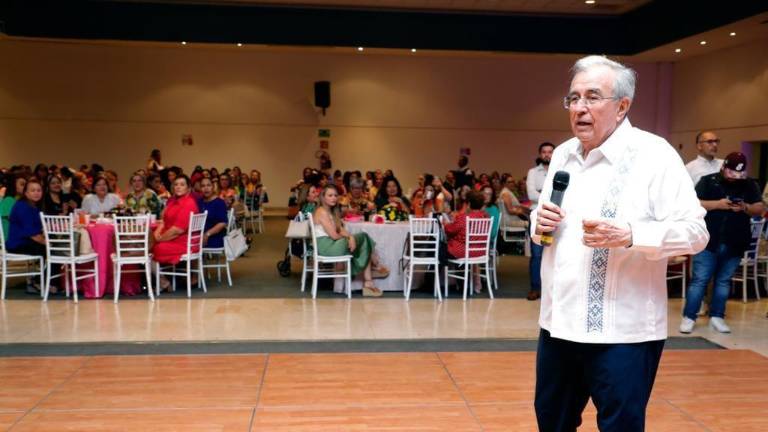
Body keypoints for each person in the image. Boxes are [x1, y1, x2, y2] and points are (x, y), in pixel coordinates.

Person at [532, 55, 708, 431]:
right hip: (559, 324)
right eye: (573, 98)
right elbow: (544, 215)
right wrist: (538, 221)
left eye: (592, 97)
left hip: (624, 332)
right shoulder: (562, 153)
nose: (579, 107)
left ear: (622, 106)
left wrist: (631, 235)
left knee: (620, 426)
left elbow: (696, 231)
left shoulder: (655, 155)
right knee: (551, 421)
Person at [680, 152, 763, 334]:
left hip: (735, 241)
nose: (735, 177)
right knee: (700, 280)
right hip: (708, 240)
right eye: (731, 173)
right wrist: (717, 204)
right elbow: (693, 203)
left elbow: (759, 208)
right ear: (723, 167)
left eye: (739, 174)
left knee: (724, 281)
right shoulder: (708, 181)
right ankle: (689, 317)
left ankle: (717, 317)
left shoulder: (749, 184)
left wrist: (745, 207)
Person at [313, 185, 385, 297]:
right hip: (327, 246)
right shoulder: (321, 211)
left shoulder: (330, 211)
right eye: (330, 195)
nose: (333, 198)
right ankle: (372, 269)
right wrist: (349, 238)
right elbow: (334, 236)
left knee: (362, 238)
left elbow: (340, 229)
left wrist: (350, 237)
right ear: (323, 197)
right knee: (364, 237)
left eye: (335, 195)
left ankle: (369, 278)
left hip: (333, 244)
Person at [152, 175, 200, 290]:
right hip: (174, 239)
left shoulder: (189, 204)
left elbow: (177, 230)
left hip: (184, 242)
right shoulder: (173, 201)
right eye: (176, 184)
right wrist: (157, 232)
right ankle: (162, 282)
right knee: (146, 247)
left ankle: (163, 283)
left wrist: (159, 239)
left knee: (149, 250)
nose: (178, 187)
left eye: (182, 185)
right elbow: (164, 220)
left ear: (188, 188)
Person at [5, 179, 47, 294]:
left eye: (39, 190)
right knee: (53, 251)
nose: (36, 193)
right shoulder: (23, 207)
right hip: (18, 244)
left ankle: (46, 282)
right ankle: (37, 282)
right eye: (32, 190)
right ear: (26, 193)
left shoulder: (33, 206)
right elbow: (32, 234)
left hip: (26, 241)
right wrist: (48, 243)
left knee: (54, 250)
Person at [526, 142, 555, 301]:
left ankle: (551, 289)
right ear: (540, 154)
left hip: (555, 217)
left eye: (550, 152)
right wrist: (551, 196)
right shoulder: (533, 172)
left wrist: (541, 192)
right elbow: (531, 195)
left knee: (553, 253)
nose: (547, 154)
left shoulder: (559, 170)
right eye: (544, 152)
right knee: (537, 254)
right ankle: (535, 288)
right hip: (538, 216)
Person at [199, 177, 228, 249]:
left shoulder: (219, 202)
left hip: (215, 236)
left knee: (189, 245)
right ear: (200, 189)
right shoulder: (199, 202)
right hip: (200, 235)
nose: (206, 188)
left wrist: (207, 234)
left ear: (213, 187)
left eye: (208, 185)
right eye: (203, 186)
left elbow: (223, 223)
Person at [1, 175, 26, 240]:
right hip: (8, 237)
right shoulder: (9, 200)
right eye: (22, 184)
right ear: (13, 185)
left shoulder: (20, 201)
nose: (25, 187)